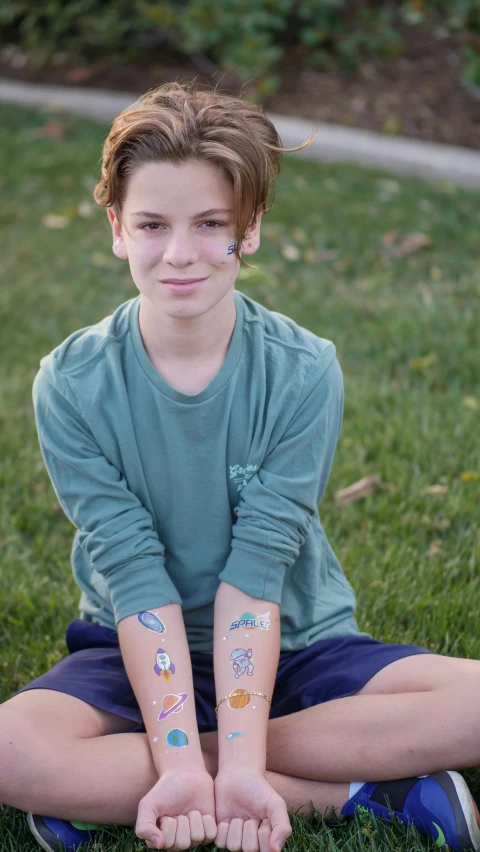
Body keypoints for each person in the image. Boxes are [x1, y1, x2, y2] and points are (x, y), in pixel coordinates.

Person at [1, 81, 479, 852]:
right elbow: (133, 573)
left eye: (210, 224)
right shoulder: (72, 382)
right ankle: (359, 787)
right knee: (11, 750)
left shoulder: (303, 370)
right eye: (153, 224)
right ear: (116, 227)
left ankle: (121, 784)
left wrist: (226, 754)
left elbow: (258, 577)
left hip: (293, 645)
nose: (180, 253)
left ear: (248, 230)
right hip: (134, 652)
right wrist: (190, 750)